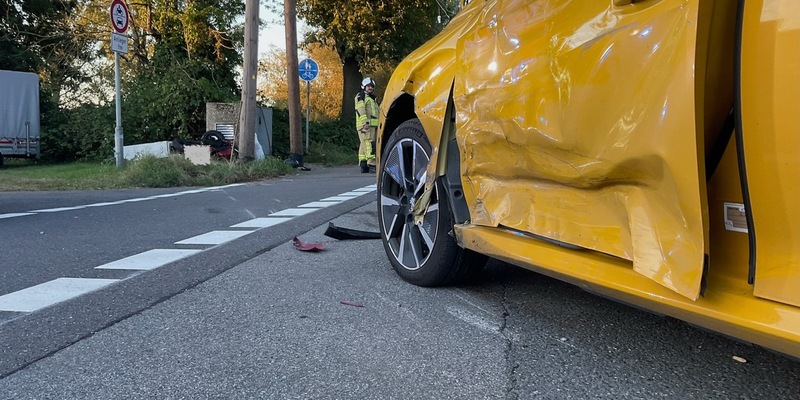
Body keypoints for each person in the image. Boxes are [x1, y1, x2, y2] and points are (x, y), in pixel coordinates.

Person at [354, 77, 380, 173]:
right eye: (368, 86)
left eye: (372, 86)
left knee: (364, 144)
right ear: (363, 87)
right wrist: (365, 122)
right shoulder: (361, 96)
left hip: (371, 125)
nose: (370, 88)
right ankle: (372, 164)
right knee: (370, 144)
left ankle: (363, 164)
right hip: (366, 125)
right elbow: (360, 110)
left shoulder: (370, 98)